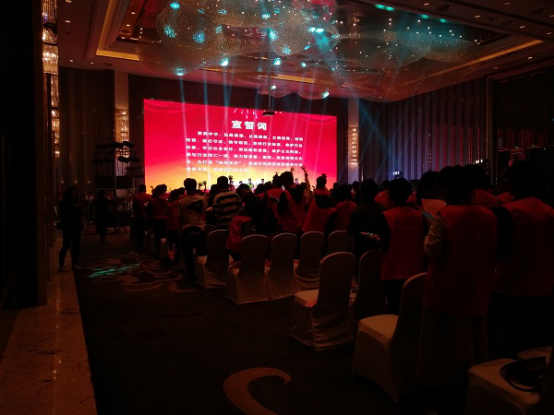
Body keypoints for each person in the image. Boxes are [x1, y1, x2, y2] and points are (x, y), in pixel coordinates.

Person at [419, 166, 497, 394]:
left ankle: (448, 390)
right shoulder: (488, 215)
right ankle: (475, 384)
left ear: (446, 188)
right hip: (478, 286)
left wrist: (427, 235)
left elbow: (431, 251)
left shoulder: (445, 215)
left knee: (446, 344)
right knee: (474, 340)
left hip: (448, 289)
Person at [490, 161, 554, 357]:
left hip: (510, 287)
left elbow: (498, 251)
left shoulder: (508, 212)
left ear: (511, 183)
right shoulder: (549, 211)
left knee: (510, 346)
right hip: (544, 288)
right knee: (538, 346)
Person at [381, 178, 427, 314]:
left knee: (394, 311)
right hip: (416, 269)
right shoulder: (420, 216)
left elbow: (383, 243)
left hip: (392, 270)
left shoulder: (386, 216)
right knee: (413, 310)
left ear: (391, 194)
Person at [347, 179, 389, 260]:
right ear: (376, 192)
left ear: (361, 192)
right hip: (379, 253)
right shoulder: (383, 210)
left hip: (360, 252)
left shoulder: (356, 211)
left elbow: (351, 232)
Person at [177, 178, 207, 281]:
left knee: (188, 253)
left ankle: (190, 273)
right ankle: (202, 273)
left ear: (185, 187)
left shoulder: (181, 201)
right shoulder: (203, 199)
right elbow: (204, 212)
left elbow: (180, 218)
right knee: (202, 252)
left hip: (187, 229)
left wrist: (180, 229)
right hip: (200, 228)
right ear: (195, 186)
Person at [58, 187, 84, 272]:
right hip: (68, 226)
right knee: (66, 245)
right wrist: (75, 208)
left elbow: (80, 212)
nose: (75, 195)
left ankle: (74, 263)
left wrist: (76, 208)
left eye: (76, 193)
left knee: (76, 245)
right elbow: (66, 214)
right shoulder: (65, 203)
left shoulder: (75, 202)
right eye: (73, 193)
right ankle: (61, 265)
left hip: (76, 225)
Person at [277, 169, 309, 235]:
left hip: (287, 228)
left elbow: (280, 211)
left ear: (285, 182)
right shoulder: (303, 193)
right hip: (300, 228)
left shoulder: (285, 194)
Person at [149, 184, 169, 251]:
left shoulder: (152, 199)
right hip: (165, 219)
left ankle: (157, 250)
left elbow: (150, 211)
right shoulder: (167, 199)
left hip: (156, 219)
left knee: (157, 236)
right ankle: (164, 250)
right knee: (164, 236)